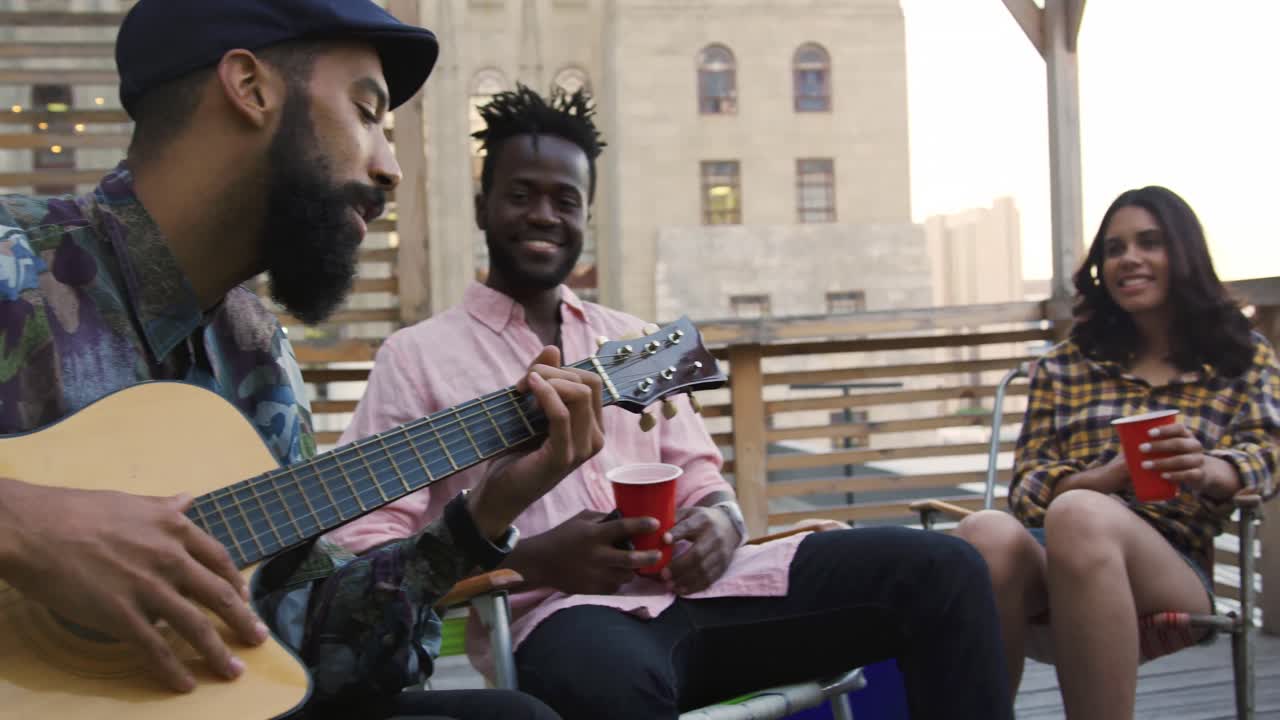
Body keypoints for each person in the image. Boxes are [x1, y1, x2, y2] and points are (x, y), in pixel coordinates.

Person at [322, 84, 1014, 720]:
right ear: (482, 205)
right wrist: (534, 559)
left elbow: (707, 483)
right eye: (520, 194)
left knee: (946, 570)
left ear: (587, 215)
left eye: (565, 200)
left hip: (723, 594)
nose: (543, 215)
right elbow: (364, 550)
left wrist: (722, 524)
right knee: (606, 686)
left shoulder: (636, 344)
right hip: (566, 619)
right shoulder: (415, 358)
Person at [0, 2, 597, 718]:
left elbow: (311, 646)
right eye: (368, 112)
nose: (391, 168)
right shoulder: (16, 263)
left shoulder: (258, 358)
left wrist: (484, 514)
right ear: (251, 89)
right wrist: (25, 522)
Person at [953, 185, 1280, 719]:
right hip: (1053, 553)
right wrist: (1108, 476)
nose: (1129, 258)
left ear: (1184, 253)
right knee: (982, 532)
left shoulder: (1239, 357)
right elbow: (1027, 489)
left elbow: (1269, 454)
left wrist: (1207, 468)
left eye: (1149, 242)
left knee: (1080, 514)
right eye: (1114, 248)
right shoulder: (1065, 365)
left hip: (1172, 565)